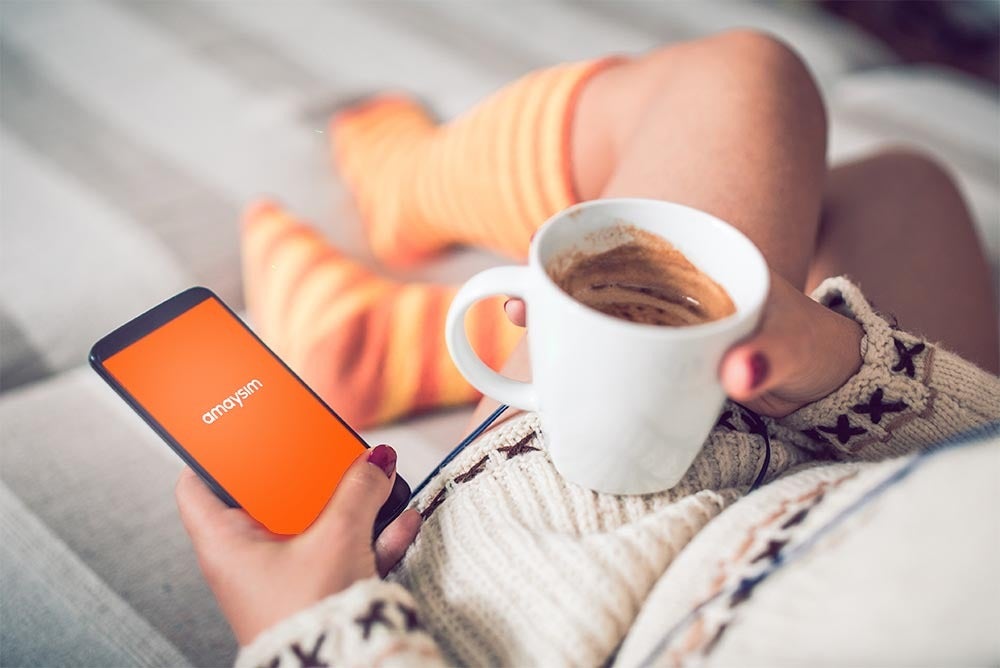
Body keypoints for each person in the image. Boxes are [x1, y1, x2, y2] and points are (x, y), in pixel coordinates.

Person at [178, 31, 1000, 666]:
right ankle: (420, 333)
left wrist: (312, 635)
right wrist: (844, 367)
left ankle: (407, 189)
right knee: (901, 192)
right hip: (855, 483)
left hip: (576, 575)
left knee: (745, 77)